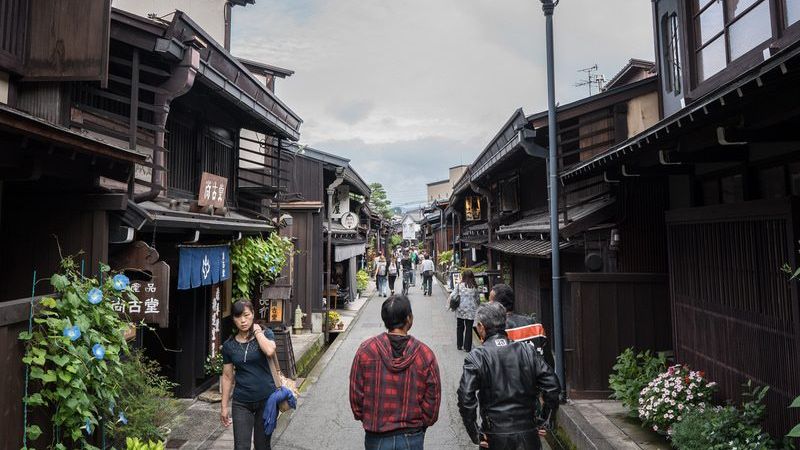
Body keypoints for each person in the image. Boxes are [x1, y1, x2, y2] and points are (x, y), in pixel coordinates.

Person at [457, 302, 561, 450]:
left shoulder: (478, 357)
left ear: (481, 326)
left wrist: (475, 433)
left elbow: (465, 397)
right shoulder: (526, 350)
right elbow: (552, 385)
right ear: (504, 323)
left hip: (495, 435)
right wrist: (545, 419)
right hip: (528, 433)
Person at [350, 295, 442, 449]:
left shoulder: (366, 350)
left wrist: (367, 417)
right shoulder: (425, 354)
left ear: (385, 319)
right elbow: (433, 400)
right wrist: (421, 423)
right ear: (409, 319)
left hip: (376, 435)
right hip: (412, 436)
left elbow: (356, 396)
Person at [221, 300, 278, 450]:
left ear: (253, 314)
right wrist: (224, 406)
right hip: (241, 402)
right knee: (241, 447)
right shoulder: (229, 346)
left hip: (266, 400)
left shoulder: (266, 334)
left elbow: (269, 351)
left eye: (246, 315)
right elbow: (227, 377)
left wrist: (257, 332)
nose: (243, 320)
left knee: (262, 446)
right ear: (233, 319)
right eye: (238, 316)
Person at [489, 284, 553, 367]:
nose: (488, 304)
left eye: (490, 301)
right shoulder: (536, 326)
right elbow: (549, 361)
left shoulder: (494, 331)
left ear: (497, 305)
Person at [450, 269, 480, 352]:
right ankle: (467, 347)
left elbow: (453, 295)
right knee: (469, 328)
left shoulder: (459, 286)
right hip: (471, 310)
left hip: (460, 309)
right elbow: (477, 299)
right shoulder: (474, 287)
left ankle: (459, 345)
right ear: (472, 277)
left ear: (463, 277)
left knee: (460, 327)